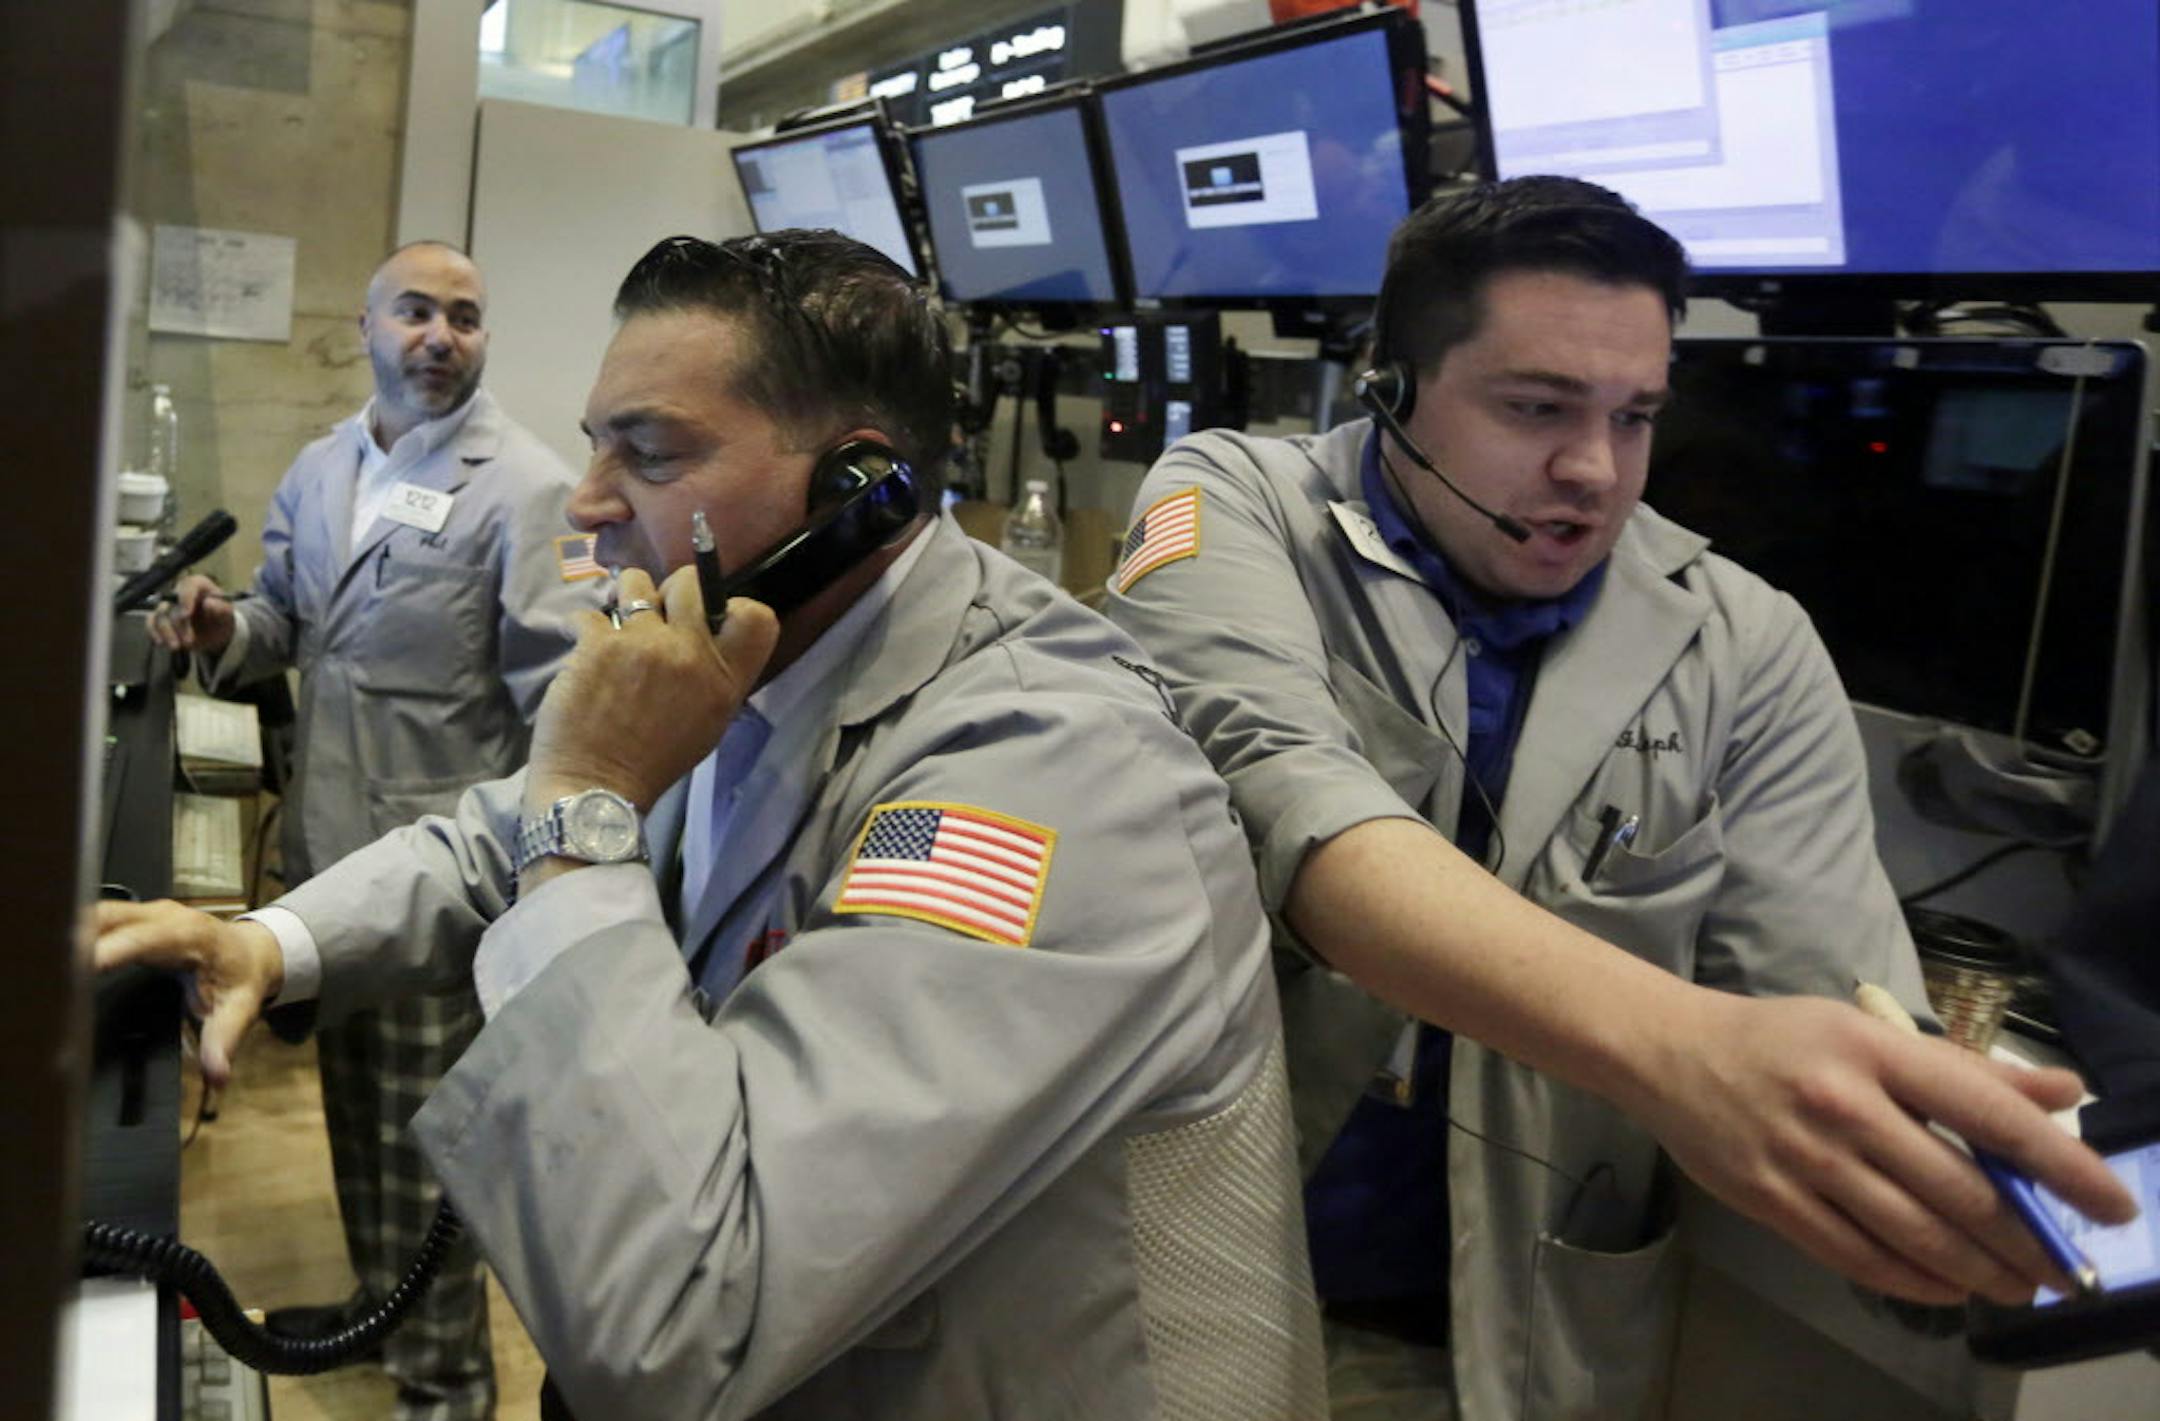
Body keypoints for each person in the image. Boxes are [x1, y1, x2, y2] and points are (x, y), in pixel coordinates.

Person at [103, 230, 1326, 1419]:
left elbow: (683, 1319)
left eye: (646, 452)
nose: (585, 505)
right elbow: (502, 827)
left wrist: (589, 803)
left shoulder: (1048, 767)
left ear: (857, 487)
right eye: (596, 444)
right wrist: (271, 938)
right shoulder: (757, 639)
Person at [1103, 177, 2137, 1420]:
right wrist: (1680, 1045)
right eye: (1535, 407)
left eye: (1635, 415)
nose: (1594, 470)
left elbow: (1828, 987)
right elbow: (1293, 803)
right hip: (1205, 1264)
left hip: (1493, 1328)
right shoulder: (1231, 502)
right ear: (1393, 382)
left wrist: (1944, 1188)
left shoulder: (1743, 641)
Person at [151, 240, 601, 1419]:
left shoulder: (527, 487)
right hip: (323, 866)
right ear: (367, 326)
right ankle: (375, 1314)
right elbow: (286, 622)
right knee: (356, 1126)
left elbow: (569, 704)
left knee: (425, 1158)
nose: (441, 335)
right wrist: (218, 631)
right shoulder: (320, 468)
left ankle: (446, 1387)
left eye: (465, 314)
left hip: (436, 885)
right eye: (417, 311)